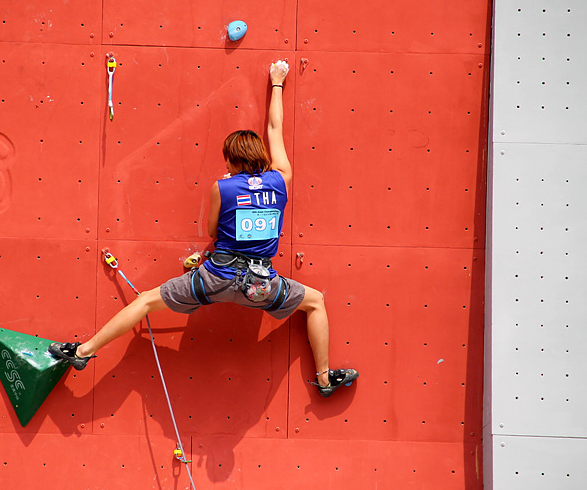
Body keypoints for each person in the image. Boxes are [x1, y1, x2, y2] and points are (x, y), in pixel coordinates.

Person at [51, 60, 358, 397]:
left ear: (232, 160)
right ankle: (326, 380)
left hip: (216, 278)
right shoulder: (280, 178)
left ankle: (81, 353)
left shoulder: (222, 188)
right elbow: (274, 128)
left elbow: (213, 229)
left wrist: (226, 193)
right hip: (261, 285)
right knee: (315, 302)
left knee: (144, 303)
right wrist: (277, 83)